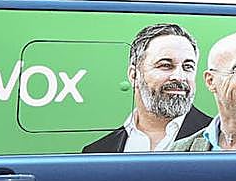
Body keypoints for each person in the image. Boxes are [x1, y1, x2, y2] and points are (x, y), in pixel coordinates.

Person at [82, 23, 212, 153]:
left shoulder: (219, 138)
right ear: (134, 75)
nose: (179, 77)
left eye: (188, 67)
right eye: (166, 65)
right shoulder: (98, 151)